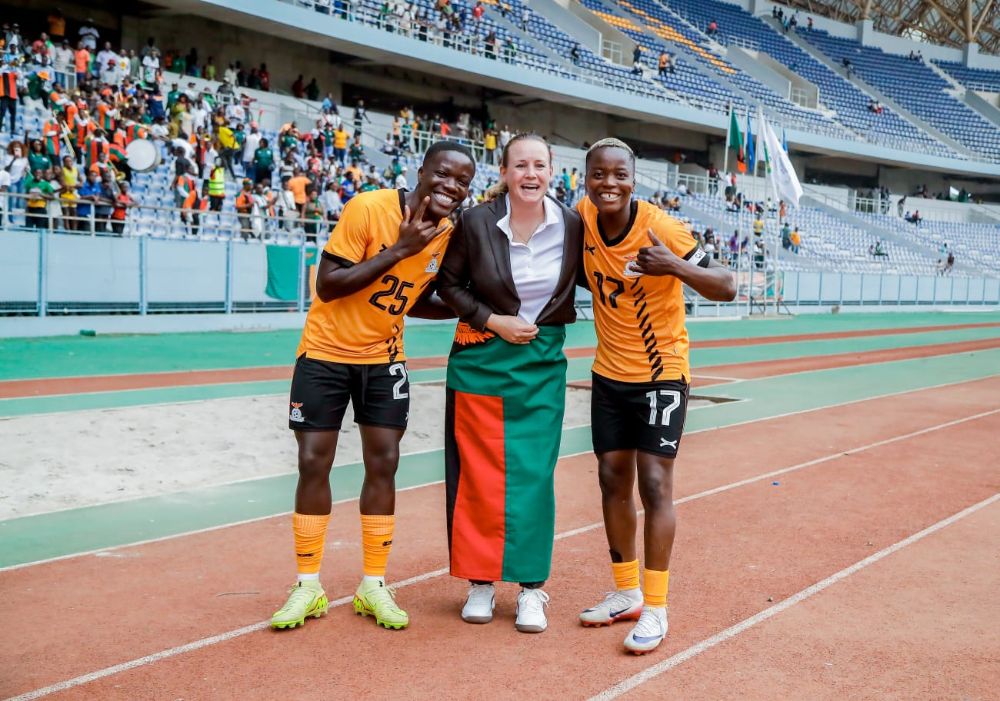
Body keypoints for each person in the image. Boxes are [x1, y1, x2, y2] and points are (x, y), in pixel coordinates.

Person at [269, 141, 476, 631]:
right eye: (443, 174)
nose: (451, 185)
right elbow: (329, 285)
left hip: (384, 360)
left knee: (383, 464)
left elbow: (414, 297)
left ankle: (373, 584)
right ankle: (308, 585)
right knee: (312, 462)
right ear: (421, 172)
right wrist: (402, 249)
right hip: (323, 355)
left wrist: (474, 311)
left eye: (462, 181)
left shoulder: (447, 231)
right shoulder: (369, 207)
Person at [576, 138, 735, 654]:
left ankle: (659, 608)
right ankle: (627, 593)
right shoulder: (583, 214)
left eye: (619, 174)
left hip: (661, 372)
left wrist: (675, 267)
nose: (609, 183)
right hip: (609, 373)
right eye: (599, 174)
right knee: (610, 479)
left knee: (654, 484)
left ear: (633, 179)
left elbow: (726, 284)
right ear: (586, 179)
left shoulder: (661, 227)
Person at [437, 133, 583, 633]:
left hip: (541, 367)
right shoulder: (476, 222)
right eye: (520, 164)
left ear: (552, 171)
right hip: (480, 362)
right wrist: (493, 320)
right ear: (504, 172)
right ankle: (479, 582)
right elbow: (448, 285)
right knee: (476, 476)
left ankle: (530, 589)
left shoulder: (572, 224)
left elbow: (606, 271)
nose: (530, 174)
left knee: (533, 479)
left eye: (539, 165)